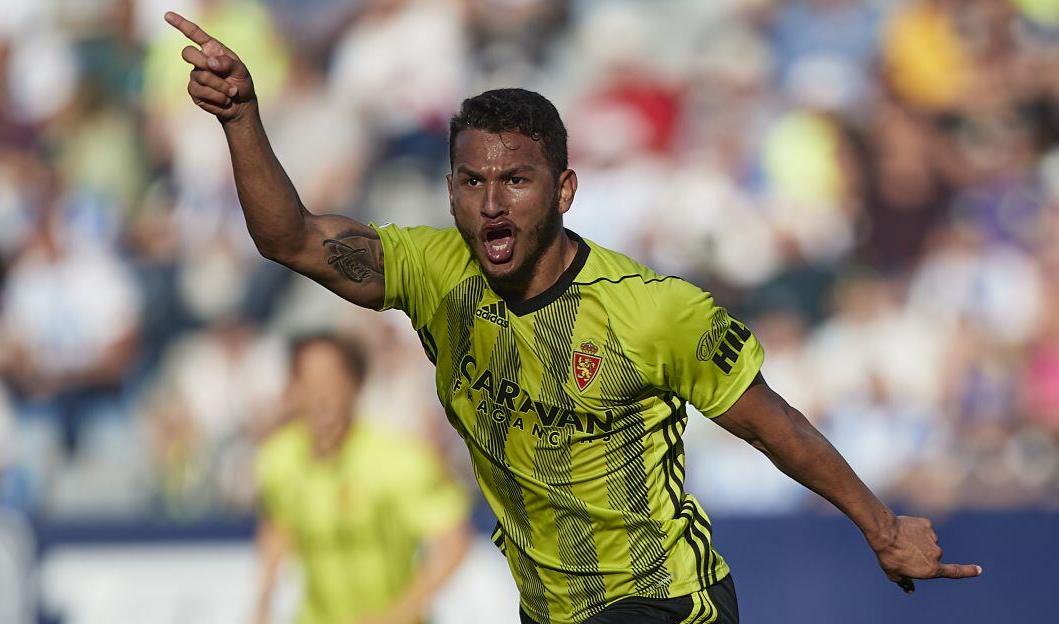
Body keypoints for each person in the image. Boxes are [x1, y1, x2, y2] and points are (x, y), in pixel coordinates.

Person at [166, 11, 982, 624]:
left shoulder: (651, 311)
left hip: (665, 600)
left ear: (564, 191)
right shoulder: (432, 272)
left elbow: (778, 429)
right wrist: (241, 119)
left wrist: (881, 527)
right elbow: (291, 239)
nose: (492, 203)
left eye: (516, 181)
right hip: (549, 608)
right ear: (449, 190)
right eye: (472, 182)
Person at [253, 332, 472, 624]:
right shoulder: (278, 459)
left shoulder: (399, 460)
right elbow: (278, 525)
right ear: (291, 391)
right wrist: (263, 603)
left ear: (355, 385)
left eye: (332, 382)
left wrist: (399, 614)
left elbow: (453, 543)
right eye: (310, 383)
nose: (322, 396)